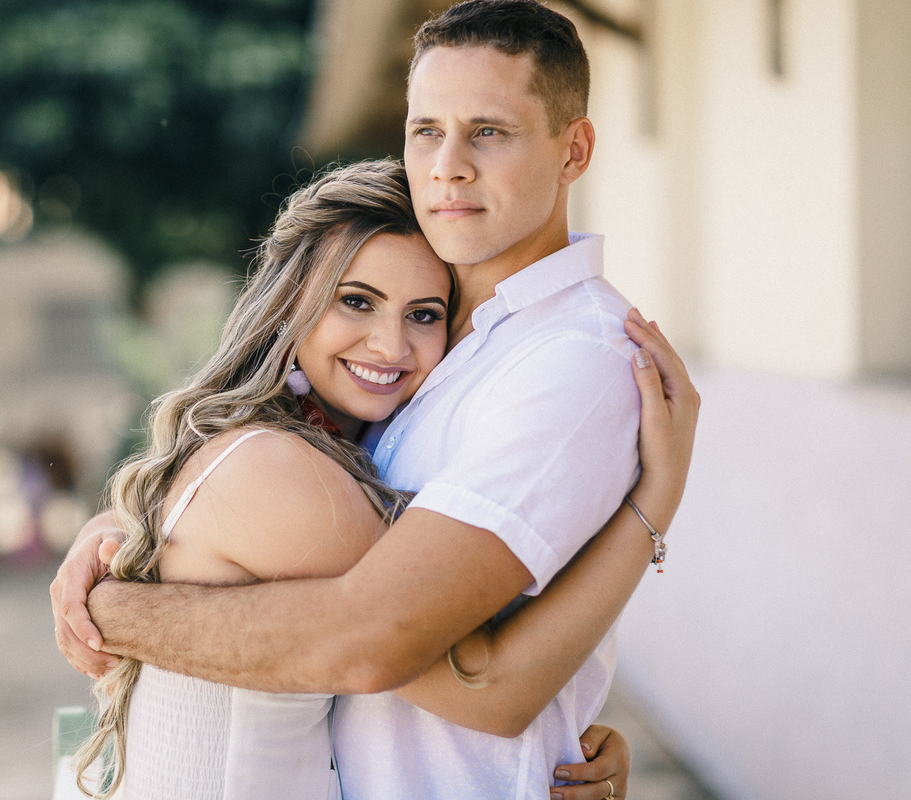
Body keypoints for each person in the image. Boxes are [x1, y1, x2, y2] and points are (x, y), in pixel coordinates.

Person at [54, 1, 701, 797]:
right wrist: (126, 530)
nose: (449, 166)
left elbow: (385, 642)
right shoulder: (444, 340)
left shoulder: (575, 359)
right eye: (426, 129)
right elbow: (268, 522)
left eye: (488, 132)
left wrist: (116, 610)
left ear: (575, 150)